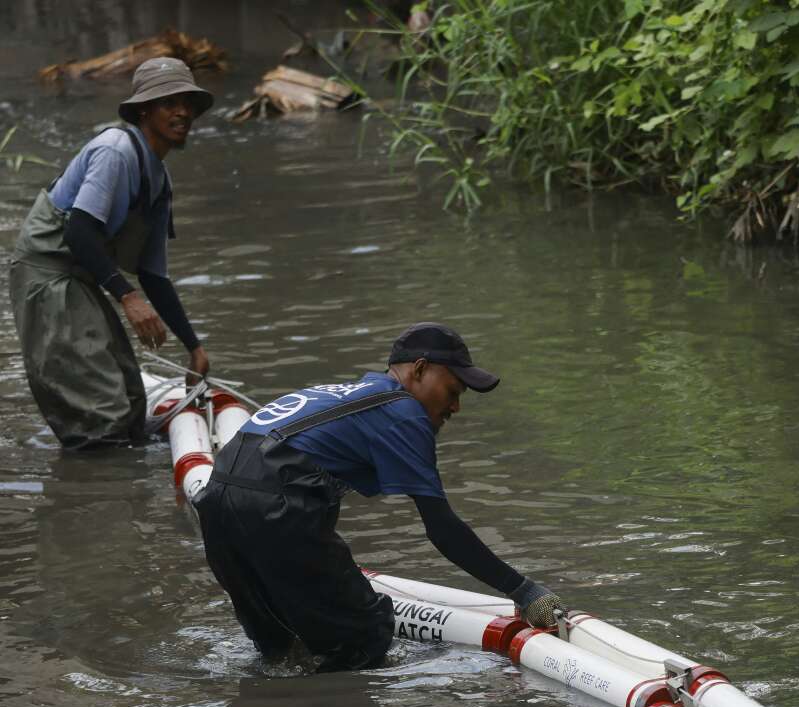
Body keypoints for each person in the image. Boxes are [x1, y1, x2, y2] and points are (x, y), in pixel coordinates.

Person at [195, 322, 562, 673]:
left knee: (279, 644)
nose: (455, 408)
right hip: (276, 503)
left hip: (215, 504)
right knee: (366, 634)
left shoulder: (332, 394)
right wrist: (523, 590)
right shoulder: (403, 413)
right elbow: (442, 528)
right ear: (419, 370)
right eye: (453, 391)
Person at [9, 57, 212, 449]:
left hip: (81, 278)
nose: (183, 112)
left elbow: (153, 275)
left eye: (187, 102)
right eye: (169, 102)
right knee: (100, 407)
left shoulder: (160, 182)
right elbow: (79, 230)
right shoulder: (115, 150)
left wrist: (194, 347)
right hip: (47, 275)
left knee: (131, 395)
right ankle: (95, 497)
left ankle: (121, 479)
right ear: (143, 110)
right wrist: (127, 296)